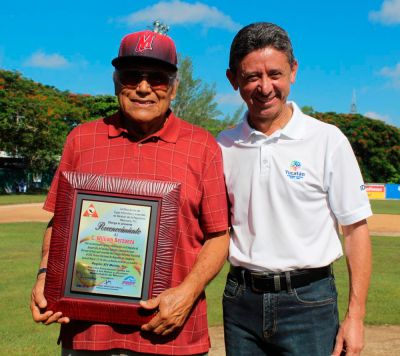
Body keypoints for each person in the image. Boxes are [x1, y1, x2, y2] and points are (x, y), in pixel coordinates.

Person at [30, 26, 229, 356]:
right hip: (88, 335)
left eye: (158, 77)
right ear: (115, 81)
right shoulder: (81, 139)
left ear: (175, 87)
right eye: (131, 75)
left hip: (171, 334)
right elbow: (59, 224)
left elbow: (219, 235)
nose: (143, 87)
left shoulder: (202, 145)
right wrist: (43, 275)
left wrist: (188, 293)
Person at [217, 22, 372, 356]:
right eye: (251, 77)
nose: (265, 87)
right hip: (240, 301)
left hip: (310, 303)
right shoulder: (222, 146)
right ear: (233, 80)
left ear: (293, 71)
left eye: (275, 73)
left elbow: (356, 230)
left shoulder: (327, 140)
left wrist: (355, 316)